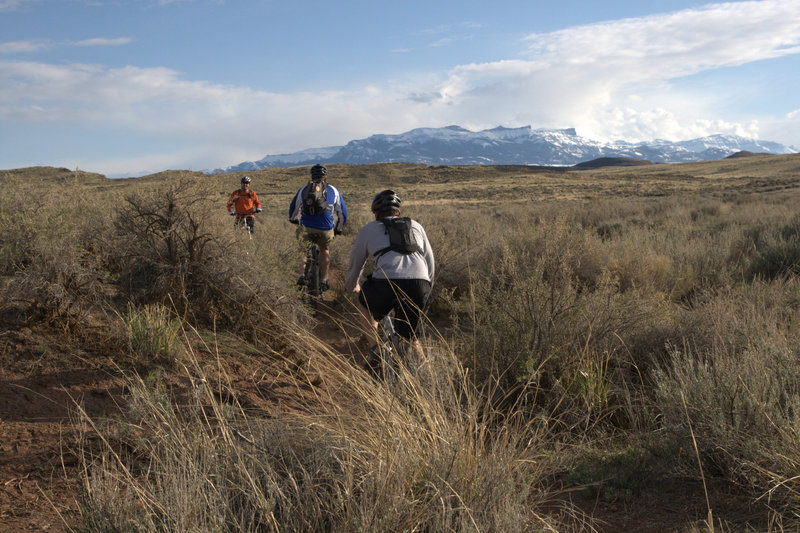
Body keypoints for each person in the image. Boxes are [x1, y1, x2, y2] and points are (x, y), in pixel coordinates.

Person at [344, 189, 434, 365]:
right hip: (420, 284)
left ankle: (375, 349)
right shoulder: (416, 226)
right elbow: (430, 261)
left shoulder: (368, 229)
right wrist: (426, 288)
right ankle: (423, 371)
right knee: (410, 334)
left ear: (375, 214)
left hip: (386, 284)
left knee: (365, 305)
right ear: (398, 212)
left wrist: (351, 285)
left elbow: (356, 263)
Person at [288, 164, 348, 292]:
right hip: (325, 229)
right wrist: (339, 228)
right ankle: (324, 280)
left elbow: (294, 208)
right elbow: (342, 212)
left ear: (311, 176)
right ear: (325, 178)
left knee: (302, 250)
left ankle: (300, 275)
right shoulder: (333, 190)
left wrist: (293, 219)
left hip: (306, 228)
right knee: (324, 250)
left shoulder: (304, 190)